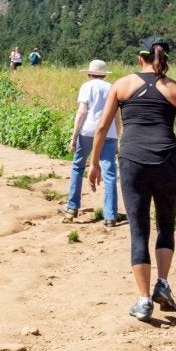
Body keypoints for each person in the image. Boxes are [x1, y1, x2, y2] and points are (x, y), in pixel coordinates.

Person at [89, 37, 176, 321]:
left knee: (139, 230)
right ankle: (162, 283)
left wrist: (94, 163)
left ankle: (143, 299)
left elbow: (102, 126)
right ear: (163, 59)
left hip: (133, 161)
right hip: (167, 161)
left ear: (141, 59)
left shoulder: (122, 85)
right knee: (165, 225)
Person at [61, 59, 120, 227]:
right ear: (104, 74)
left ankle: (72, 207)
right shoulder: (111, 87)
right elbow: (117, 116)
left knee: (78, 166)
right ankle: (110, 215)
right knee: (109, 172)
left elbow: (81, 112)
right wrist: (117, 139)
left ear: (89, 73)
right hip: (109, 133)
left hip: (87, 132)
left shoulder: (87, 87)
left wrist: (74, 136)